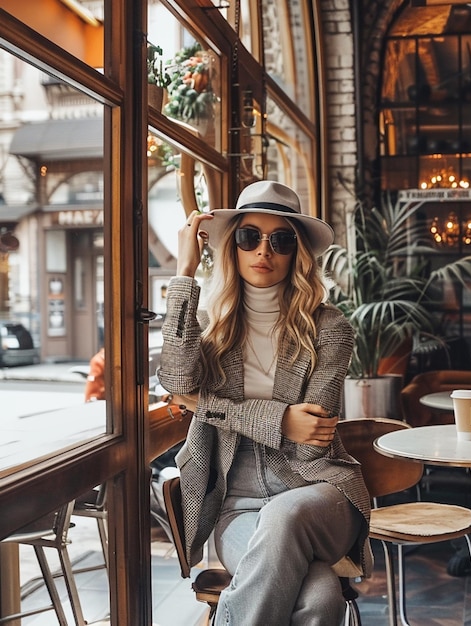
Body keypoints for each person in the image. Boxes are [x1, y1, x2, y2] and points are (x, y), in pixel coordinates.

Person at [157, 180, 372, 625]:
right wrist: (184, 271)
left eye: (281, 240)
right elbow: (177, 379)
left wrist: (206, 404)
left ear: (298, 253)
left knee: (284, 512)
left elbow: (310, 441)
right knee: (319, 598)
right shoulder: (211, 328)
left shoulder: (329, 328)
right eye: (248, 236)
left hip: (318, 496)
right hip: (238, 508)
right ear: (232, 246)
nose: (263, 251)